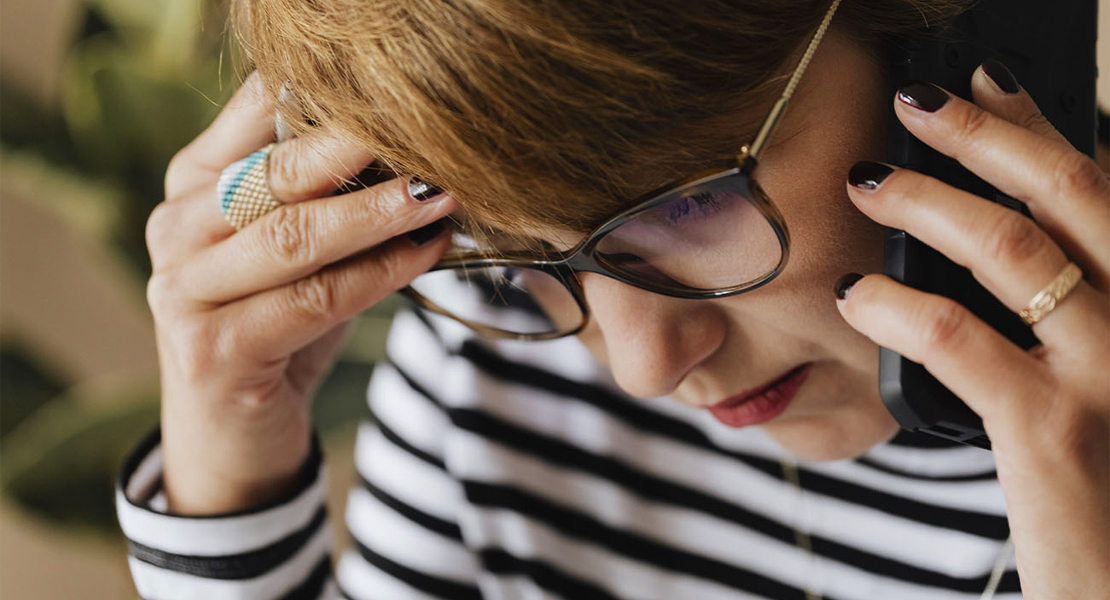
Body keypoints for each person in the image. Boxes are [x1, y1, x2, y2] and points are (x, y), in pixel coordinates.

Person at [115, 0, 1109, 598]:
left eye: (691, 206)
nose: (643, 367)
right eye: (513, 258)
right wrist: (225, 476)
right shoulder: (498, 349)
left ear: (962, 33)